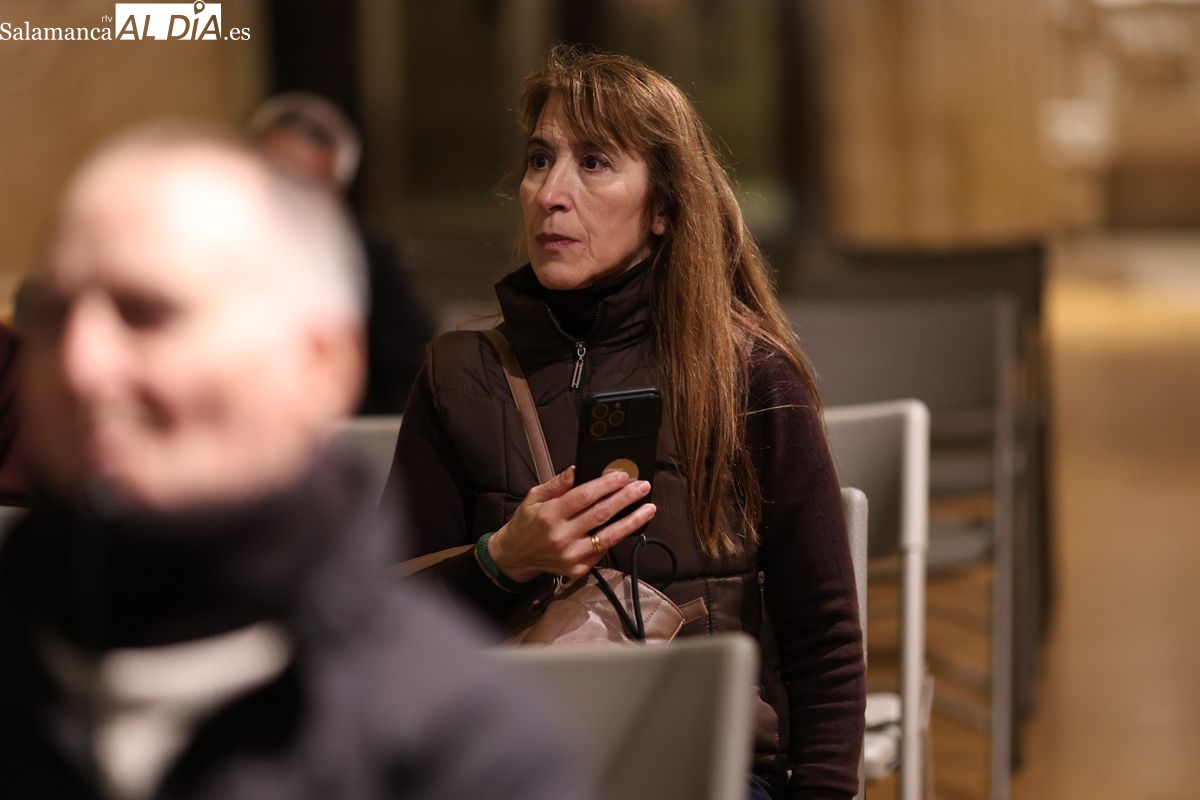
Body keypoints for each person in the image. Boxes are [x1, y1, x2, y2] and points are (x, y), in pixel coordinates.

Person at [0, 125, 586, 800]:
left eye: (146, 314)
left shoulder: (454, 742)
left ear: (320, 363)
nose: (81, 365)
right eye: (53, 314)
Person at [388, 45, 866, 800]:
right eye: (539, 160)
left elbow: (824, 641)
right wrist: (502, 560)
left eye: (594, 162)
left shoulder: (746, 374)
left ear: (664, 209)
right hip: (510, 766)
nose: (551, 193)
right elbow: (383, 627)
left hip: (707, 766)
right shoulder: (458, 374)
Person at [249, 91, 434, 414]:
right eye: (275, 176)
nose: (288, 199)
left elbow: (409, 374)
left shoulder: (369, 261)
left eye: (305, 186)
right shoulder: (203, 255)